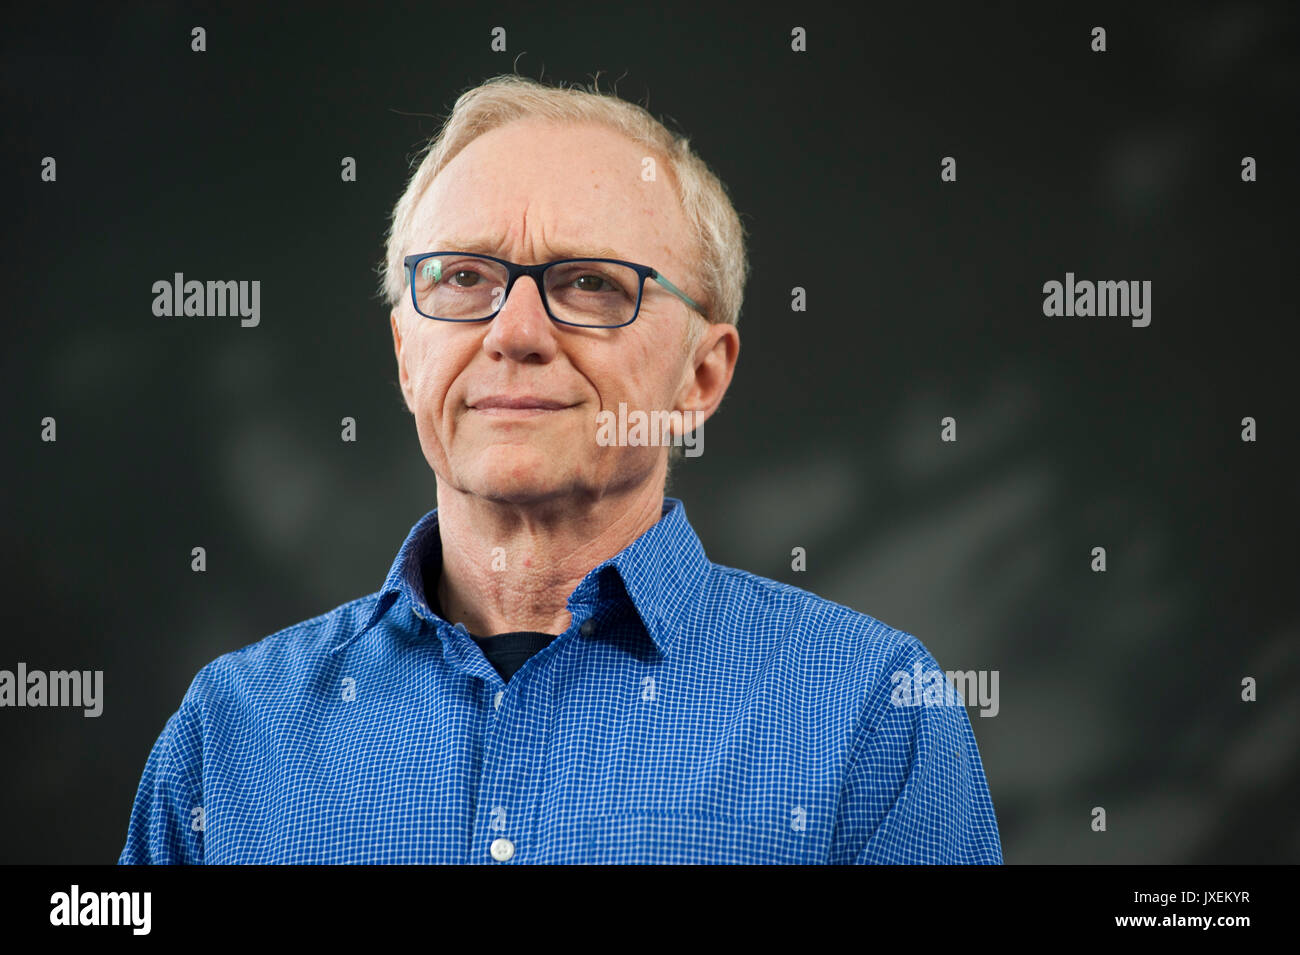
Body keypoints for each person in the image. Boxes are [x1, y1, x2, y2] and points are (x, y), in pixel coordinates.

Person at [118, 74, 1002, 864]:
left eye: (590, 284)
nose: (515, 332)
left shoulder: (869, 715)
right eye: (463, 276)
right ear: (404, 355)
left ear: (701, 375)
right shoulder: (232, 729)